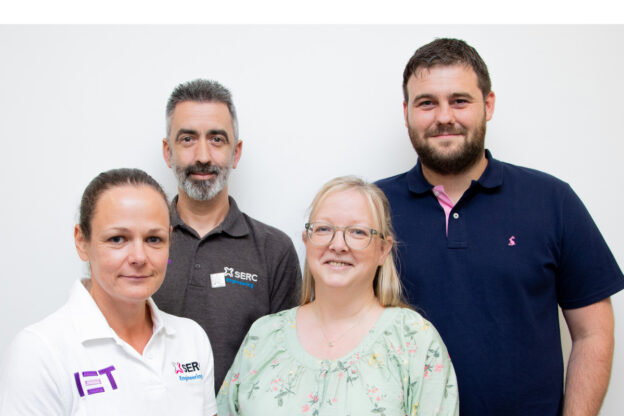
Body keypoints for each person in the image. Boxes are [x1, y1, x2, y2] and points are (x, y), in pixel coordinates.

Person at [376, 38, 624, 415]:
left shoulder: (552, 201)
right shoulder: (371, 209)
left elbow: (593, 333)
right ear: (407, 111)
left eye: (459, 100)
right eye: (427, 103)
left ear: (488, 105)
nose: (444, 116)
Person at [217, 176, 459, 416]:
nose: (338, 244)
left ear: (383, 250)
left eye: (357, 232)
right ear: (307, 241)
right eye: (324, 229)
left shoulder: (415, 341)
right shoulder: (263, 336)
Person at [0, 168, 217, 415]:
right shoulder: (40, 352)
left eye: (153, 239)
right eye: (117, 239)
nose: (139, 257)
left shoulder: (191, 340)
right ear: (82, 241)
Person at [152, 79, 302, 391]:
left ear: (236, 152)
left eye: (217, 140)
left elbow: (289, 366)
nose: (203, 156)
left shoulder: (274, 250)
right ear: (168, 152)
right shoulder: (138, 246)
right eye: (188, 139)